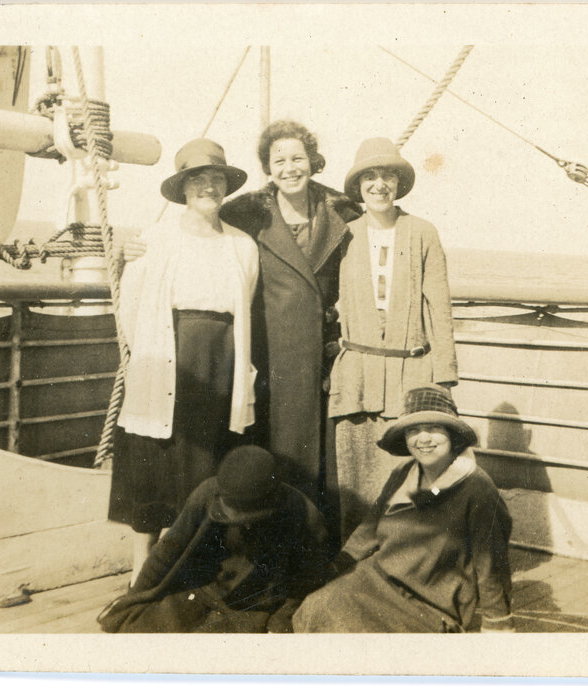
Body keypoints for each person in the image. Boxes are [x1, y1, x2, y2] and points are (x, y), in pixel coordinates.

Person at [108, 138, 259, 585]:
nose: (208, 188)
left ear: (225, 187)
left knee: (202, 461)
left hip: (219, 360)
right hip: (163, 356)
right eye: (198, 180)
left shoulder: (242, 245)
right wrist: (153, 359)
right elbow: (131, 308)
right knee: (153, 460)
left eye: (216, 180)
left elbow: (244, 302)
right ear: (184, 189)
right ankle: (142, 570)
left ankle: (186, 567)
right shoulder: (153, 239)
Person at [219, 120, 361, 539]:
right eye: (278, 160)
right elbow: (204, 233)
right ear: (267, 167)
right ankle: (274, 541)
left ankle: (318, 543)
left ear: (312, 161)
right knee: (276, 449)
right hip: (271, 356)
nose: (289, 168)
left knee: (323, 454)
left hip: (324, 356)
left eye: (297, 158)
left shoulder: (342, 210)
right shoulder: (247, 213)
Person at [292, 384, 514, 633]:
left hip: (428, 605)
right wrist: (337, 567)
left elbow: (492, 564)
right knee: (316, 606)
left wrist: (498, 624)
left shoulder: (478, 489)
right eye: (414, 430)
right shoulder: (403, 473)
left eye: (434, 429)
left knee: (348, 629)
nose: (424, 439)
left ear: (452, 435)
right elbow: (370, 528)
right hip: (376, 579)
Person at [329, 137, 458, 537]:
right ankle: (355, 571)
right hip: (357, 382)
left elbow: (439, 307)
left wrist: (443, 377)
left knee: (409, 485)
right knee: (356, 487)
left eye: (387, 175)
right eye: (370, 176)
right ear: (358, 186)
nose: (379, 184)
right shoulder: (342, 235)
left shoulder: (422, 233)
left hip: (411, 377)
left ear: (399, 184)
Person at [98, 445, 332, 633]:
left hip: (255, 603)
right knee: (135, 625)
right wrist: (134, 597)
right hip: (204, 589)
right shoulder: (207, 494)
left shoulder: (304, 517)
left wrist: (280, 623)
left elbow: (305, 584)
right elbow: (167, 552)